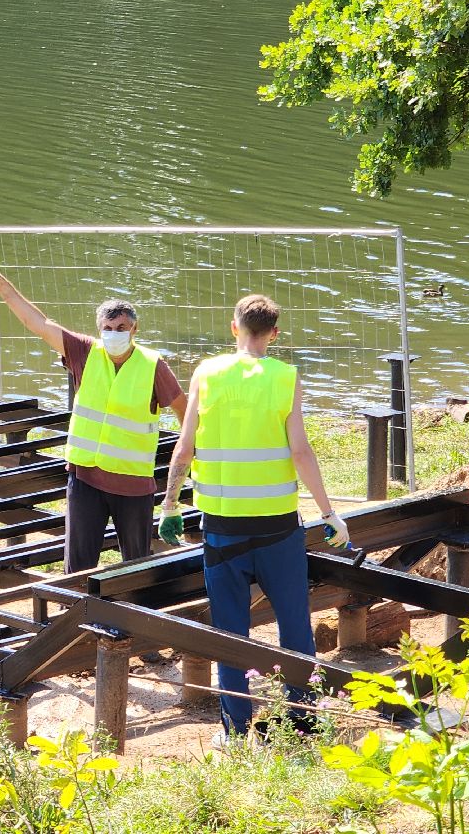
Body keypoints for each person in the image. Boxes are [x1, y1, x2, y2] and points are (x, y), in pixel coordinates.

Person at [158, 293, 349, 739]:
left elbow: (183, 450)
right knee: (295, 626)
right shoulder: (285, 377)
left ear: (234, 327)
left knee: (231, 631)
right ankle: (302, 720)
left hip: (222, 528)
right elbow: (300, 451)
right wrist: (329, 513)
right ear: (275, 335)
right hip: (278, 526)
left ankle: (235, 728)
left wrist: (168, 507)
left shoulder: (206, 373)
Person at [0, 266, 187, 572]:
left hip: (133, 484)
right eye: (109, 327)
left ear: (134, 330)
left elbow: (185, 412)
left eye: (123, 327)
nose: (115, 333)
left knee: (135, 566)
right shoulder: (85, 352)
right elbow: (38, 323)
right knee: (78, 566)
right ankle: (73, 613)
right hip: (86, 478)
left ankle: (130, 617)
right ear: (100, 329)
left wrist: (187, 461)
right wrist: (1, 285)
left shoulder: (153, 365)